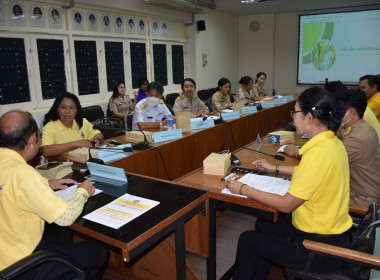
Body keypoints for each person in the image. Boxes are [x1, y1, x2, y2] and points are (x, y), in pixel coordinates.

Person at [228, 87, 352, 279]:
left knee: (248, 240)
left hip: (318, 247)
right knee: (263, 224)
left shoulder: (318, 154)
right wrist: (274, 168)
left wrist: (244, 189)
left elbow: (287, 204)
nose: (292, 118)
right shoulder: (332, 143)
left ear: (309, 117)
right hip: (333, 232)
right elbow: (310, 173)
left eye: (295, 112)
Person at [0, 111, 109, 279]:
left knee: (62, 233)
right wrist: (83, 191)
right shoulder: (24, 175)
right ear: (31, 139)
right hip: (21, 265)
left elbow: (9, 188)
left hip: (5, 250)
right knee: (98, 251)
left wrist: (46, 184)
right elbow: (66, 217)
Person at [333, 89, 380, 207]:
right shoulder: (360, 127)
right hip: (359, 190)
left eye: (338, 111)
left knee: (313, 197)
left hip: (362, 198)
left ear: (352, 113)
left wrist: (298, 152)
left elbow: (326, 159)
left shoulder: (358, 138)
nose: (335, 115)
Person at [41, 93, 103, 158]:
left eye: (71, 108)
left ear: (76, 110)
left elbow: (98, 134)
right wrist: (74, 144)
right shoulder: (50, 127)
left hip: (84, 160)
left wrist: (97, 140)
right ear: (57, 110)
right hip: (64, 164)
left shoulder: (82, 122)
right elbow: (45, 151)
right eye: (63, 107)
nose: (67, 111)